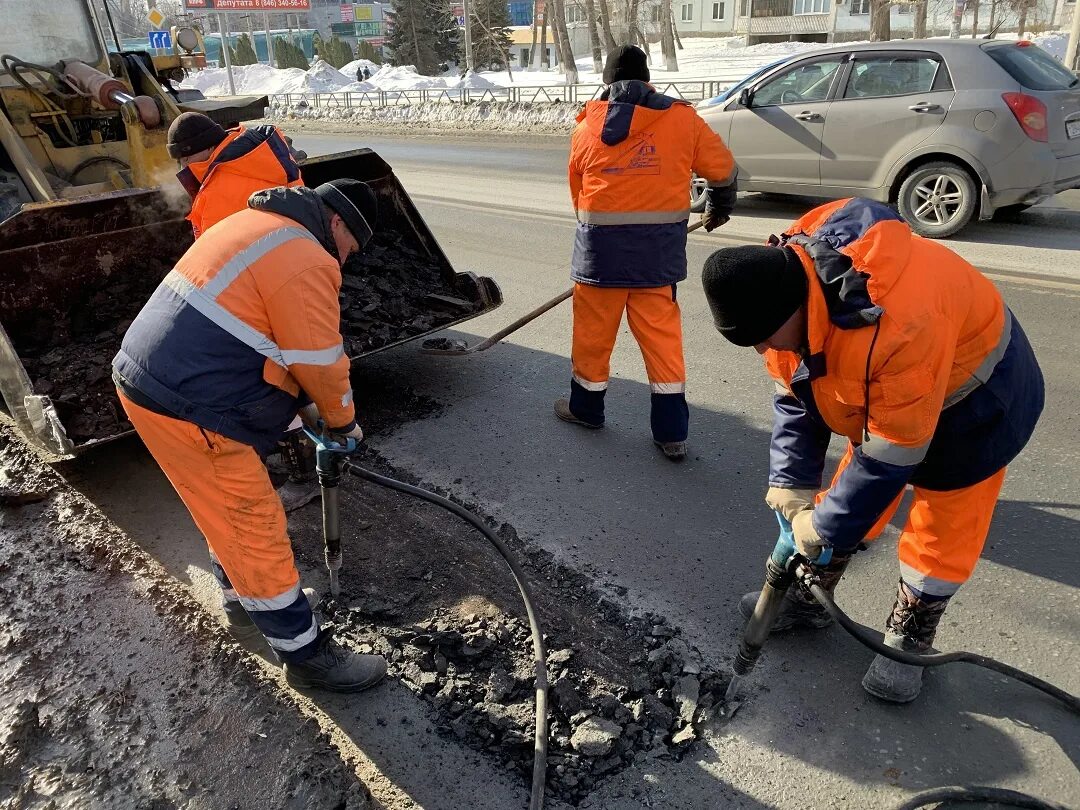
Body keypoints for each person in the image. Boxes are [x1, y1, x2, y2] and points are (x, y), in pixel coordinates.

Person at [701, 197, 1044, 703]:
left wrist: (823, 526)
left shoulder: (898, 328)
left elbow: (890, 455)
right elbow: (798, 390)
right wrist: (793, 482)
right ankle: (812, 593)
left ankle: (911, 634)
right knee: (850, 492)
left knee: (942, 520)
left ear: (793, 308)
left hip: (977, 397)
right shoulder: (783, 278)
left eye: (763, 336)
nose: (759, 349)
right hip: (893, 390)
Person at [112, 179, 387, 694]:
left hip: (152, 380)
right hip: (194, 403)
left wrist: (301, 412)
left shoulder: (254, 225)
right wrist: (344, 424)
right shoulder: (308, 258)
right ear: (337, 224)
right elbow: (321, 362)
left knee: (220, 505)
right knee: (252, 521)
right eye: (352, 248)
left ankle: (242, 604)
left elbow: (262, 333)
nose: (347, 261)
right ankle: (305, 654)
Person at [556, 45, 736, 461]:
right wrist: (720, 206)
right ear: (648, 78)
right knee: (663, 341)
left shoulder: (586, 128)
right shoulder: (683, 120)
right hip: (657, 259)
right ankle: (671, 432)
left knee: (592, 338)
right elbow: (723, 170)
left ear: (606, 82)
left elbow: (578, 195)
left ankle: (586, 409)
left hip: (599, 259)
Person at [167, 111, 316, 511]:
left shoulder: (219, 192)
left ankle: (302, 473)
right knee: (293, 366)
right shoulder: (258, 154)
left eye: (180, 162)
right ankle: (320, 427)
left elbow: (218, 259)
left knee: (262, 380)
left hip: (257, 293)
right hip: (298, 271)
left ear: (190, 156)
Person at [166, 111, 305, 240]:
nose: (183, 166)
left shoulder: (214, 195)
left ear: (208, 147)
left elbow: (216, 255)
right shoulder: (267, 151)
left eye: (186, 158)